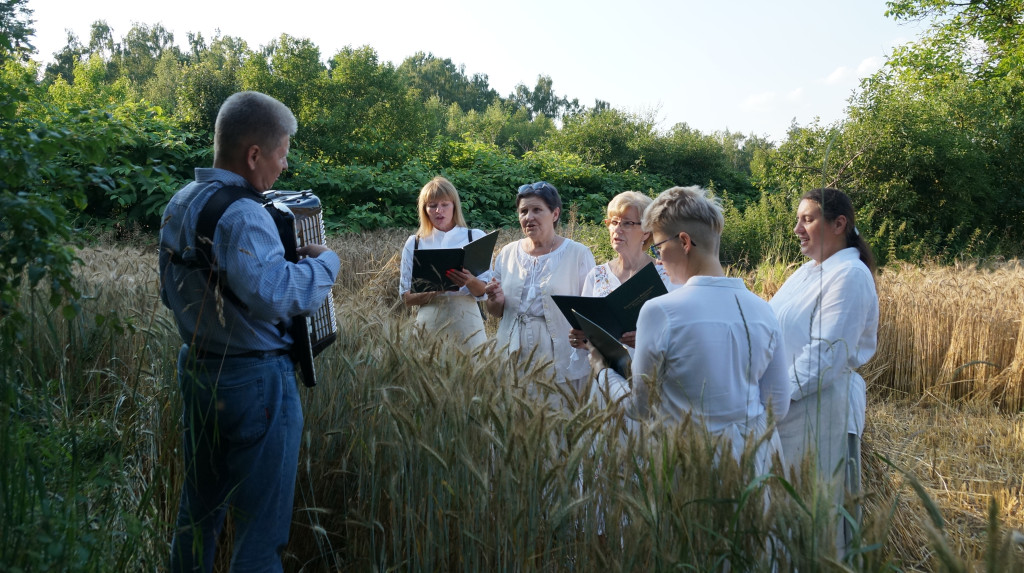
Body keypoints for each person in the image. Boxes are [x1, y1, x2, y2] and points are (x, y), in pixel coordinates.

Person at [159, 91, 340, 572]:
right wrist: (327, 265)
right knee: (261, 534)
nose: (284, 167)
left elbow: (168, 292)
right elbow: (280, 294)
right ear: (254, 154)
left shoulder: (180, 202)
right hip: (255, 383)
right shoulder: (244, 215)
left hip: (198, 370)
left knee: (197, 514)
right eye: (281, 154)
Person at [595, 185, 791, 474]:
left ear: (684, 242)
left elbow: (640, 408)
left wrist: (602, 370)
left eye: (659, 247)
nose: (659, 259)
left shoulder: (660, 310)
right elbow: (778, 407)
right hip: (753, 465)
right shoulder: (763, 310)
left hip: (686, 467)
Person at [768, 187, 878, 552]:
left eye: (808, 219)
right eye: (798, 219)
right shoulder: (806, 271)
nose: (797, 228)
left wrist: (772, 399)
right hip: (789, 406)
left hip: (818, 412)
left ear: (838, 224)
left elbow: (825, 357)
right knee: (784, 510)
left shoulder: (849, 275)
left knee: (814, 512)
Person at [484, 181, 596, 398]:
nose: (529, 217)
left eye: (537, 210)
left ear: (555, 214)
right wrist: (495, 299)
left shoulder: (578, 254)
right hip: (512, 350)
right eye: (523, 211)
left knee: (558, 416)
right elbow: (496, 312)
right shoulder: (507, 253)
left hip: (559, 353)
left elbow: (590, 310)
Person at [568, 191, 675, 354]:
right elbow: (587, 333)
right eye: (613, 222)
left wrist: (648, 338)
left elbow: (680, 332)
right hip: (606, 373)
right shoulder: (597, 275)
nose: (617, 229)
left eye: (627, 223)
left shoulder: (666, 275)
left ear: (646, 231)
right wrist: (581, 338)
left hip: (651, 373)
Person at [399, 176, 489, 350]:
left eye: (445, 204)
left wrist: (469, 281)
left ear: (454, 205)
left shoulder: (474, 237)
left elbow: (484, 292)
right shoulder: (415, 242)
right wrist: (437, 289)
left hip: (468, 323)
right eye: (432, 205)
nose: (439, 210)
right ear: (424, 210)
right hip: (429, 324)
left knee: (472, 374)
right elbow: (407, 298)